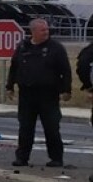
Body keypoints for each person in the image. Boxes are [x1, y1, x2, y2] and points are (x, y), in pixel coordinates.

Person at [6, 19, 71, 168]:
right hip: (27, 94)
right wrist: (10, 86)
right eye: (43, 30)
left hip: (48, 95)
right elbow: (14, 67)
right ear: (33, 31)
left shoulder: (56, 48)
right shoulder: (23, 47)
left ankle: (56, 158)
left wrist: (66, 90)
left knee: (52, 127)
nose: (46, 32)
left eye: (47, 29)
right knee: (25, 127)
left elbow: (65, 70)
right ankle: (22, 158)